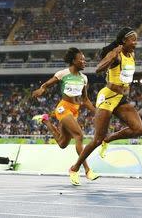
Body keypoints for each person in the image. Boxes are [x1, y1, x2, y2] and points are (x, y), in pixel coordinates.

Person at [68, 27, 142, 185]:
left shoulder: (132, 54)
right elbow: (98, 69)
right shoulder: (116, 55)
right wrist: (112, 55)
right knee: (96, 139)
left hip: (121, 98)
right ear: (124, 41)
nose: (136, 43)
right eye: (133, 40)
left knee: (138, 130)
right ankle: (75, 168)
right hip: (107, 97)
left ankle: (108, 140)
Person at [32, 47, 99, 182]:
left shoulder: (84, 78)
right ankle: (84, 170)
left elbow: (85, 100)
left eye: (85, 60)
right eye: (82, 59)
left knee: (62, 143)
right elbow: (47, 84)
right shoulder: (63, 74)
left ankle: (46, 121)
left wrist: (98, 112)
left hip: (74, 110)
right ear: (74, 61)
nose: (84, 62)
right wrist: (41, 89)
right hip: (63, 108)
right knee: (79, 135)